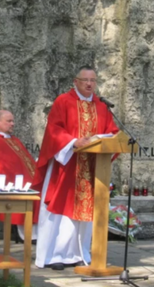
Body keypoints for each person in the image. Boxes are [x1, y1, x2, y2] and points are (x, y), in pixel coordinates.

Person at [33, 66, 119, 270]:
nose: (89, 84)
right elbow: (54, 130)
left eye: (93, 80)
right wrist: (73, 142)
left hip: (91, 167)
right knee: (61, 211)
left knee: (86, 213)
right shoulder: (63, 101)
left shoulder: (101, 106)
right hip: (67, 165)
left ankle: (80, 253)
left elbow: (112, 132)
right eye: (85, 80)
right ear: (76, 81)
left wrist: (111, 139)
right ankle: (55, 255)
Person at [0, 110, 38, 240]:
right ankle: (29, 235)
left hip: (26, 181)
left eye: (12, 121)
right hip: (12, 185)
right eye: (9, 121)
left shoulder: (14, 140)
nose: (12, 124)